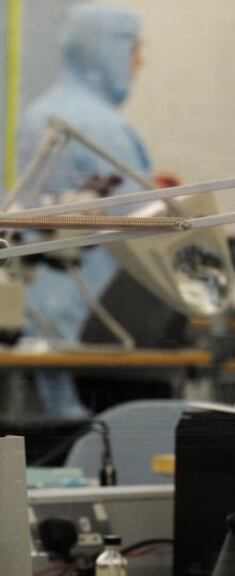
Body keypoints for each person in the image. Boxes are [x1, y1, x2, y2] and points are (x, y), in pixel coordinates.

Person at [15, 3, 174, 417]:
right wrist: (168, 203)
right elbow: (144, 224)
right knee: (85, 433)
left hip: (39, 305)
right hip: (89, 309)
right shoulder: (103, 126)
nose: (140, 62)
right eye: (133, 50)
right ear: (109, 51)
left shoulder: (40, 111)